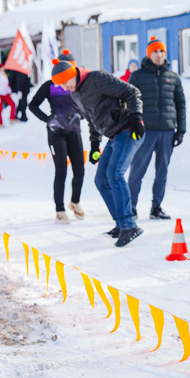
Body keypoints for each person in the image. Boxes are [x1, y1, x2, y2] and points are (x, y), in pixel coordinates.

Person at [52, 56, 146, 247]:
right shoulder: (75, 93)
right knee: (101, 180)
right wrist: (95, 144)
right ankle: (121, 224)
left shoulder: (96, 78)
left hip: (128, 129)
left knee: (115, 174)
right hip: (113, 135)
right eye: (61, 85)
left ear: (72, 74)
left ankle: (129, 225)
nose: (65, 87)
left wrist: (136, 116)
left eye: (65, 82)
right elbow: (92, 119)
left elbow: (131, 91)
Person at [127, 37, 186, 220]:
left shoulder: (173, 77)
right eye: (155, 51)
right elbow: (129, 101)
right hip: (145, 132)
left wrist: (181, 130)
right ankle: (130, 208)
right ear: (149, 54)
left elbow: (180, 104)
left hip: (167, 131)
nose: (159, 55)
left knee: (162, 172)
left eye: (162, 51)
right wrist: (133, 125)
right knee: (137, 171)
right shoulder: (138, 76)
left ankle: (156, 208)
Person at [29, 50, 86, 224]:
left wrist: (81, 115)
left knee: (80, 170)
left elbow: (87, 106)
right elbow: (32, 105)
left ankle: (75, 202)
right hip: (56, 133)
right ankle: (60, 210)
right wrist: (48, 119)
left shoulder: (78, 85)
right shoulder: (50, 85)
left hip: (74, 131)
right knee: (61, 170)